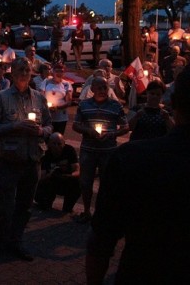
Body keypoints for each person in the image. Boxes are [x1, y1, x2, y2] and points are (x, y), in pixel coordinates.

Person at [86, 66, 190, 283]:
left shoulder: (129, 159)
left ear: (173, 103)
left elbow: (101, 241)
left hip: (143, 270)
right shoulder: (131, 156)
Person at [0, 57, 52, 261]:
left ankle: (17, 241)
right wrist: (14, 127)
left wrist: (42, 130)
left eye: (27, 69)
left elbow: (50, 126)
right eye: (20, 69)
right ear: (12, 73)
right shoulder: (2, 97)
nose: (24, 73)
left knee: (25, 205)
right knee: (5, 205)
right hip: (10, 159)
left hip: (32, 159)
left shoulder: (39, 98)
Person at [72, 77, 129, 223]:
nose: (103, 91)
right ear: (92, 89)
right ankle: (86, 211)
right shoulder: (84, 105)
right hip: (88, 150)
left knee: (107, 183)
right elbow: (76, 125)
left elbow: (125, 127)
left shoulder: (116, 106)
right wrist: (89, 131)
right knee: (86, 182)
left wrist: (111, 134)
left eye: (105, 87)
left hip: (108, 150)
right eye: (100, 88)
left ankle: (103, 213)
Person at [34, 132, 80, 213]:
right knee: (41, 185)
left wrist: (69, 176)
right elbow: (40, 176)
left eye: (59, 144)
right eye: (54, 144)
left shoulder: (69, 150)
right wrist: (51, 173)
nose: (56, 146)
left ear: (64, 143)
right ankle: (45, 203)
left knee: (78, 183)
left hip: (66, 180)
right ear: (49, 144)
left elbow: (77, 170)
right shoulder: (45, 153)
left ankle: (67, 208)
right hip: (50, 180)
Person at [39, 62, 73, 135]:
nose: (59, 73)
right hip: (47, 117)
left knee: (58, 137)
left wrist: (57, 107)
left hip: (61, 118)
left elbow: (69, 101)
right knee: (46, 138)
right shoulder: (46, 82)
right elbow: (41, 96)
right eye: (57, 71)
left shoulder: (66, 84)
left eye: (61, 71)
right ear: (52, 72)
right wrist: (46, 107)